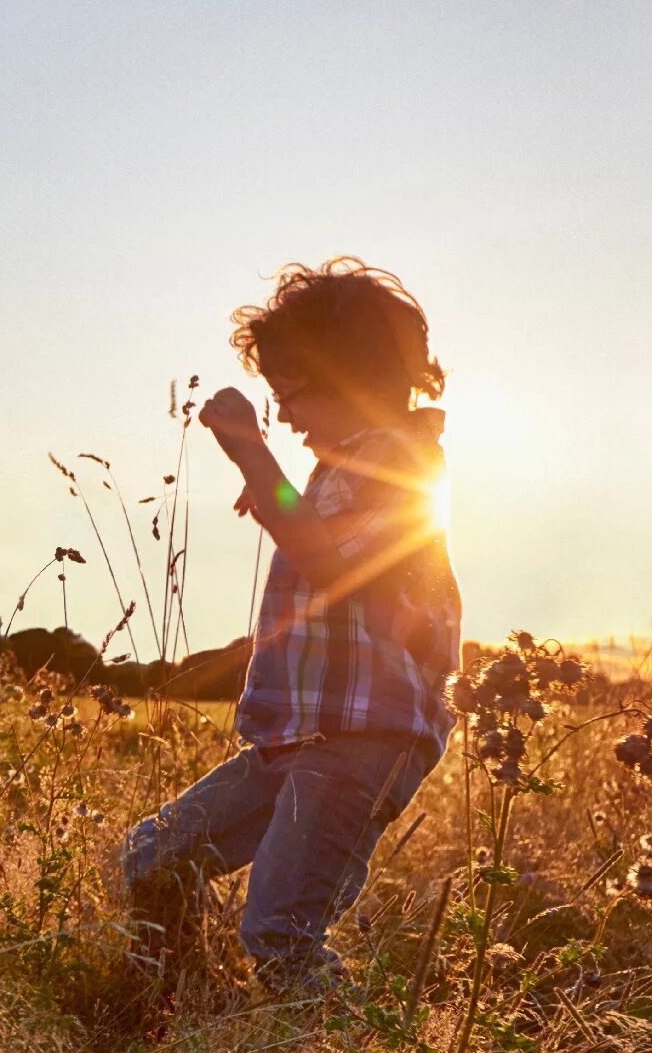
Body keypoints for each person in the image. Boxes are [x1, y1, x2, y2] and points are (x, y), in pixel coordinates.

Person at [121, 259, 460, 995]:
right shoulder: (340, 469)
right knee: (150, 858)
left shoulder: (400, 460)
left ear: (351, 374)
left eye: (293, 393)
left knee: (281, 929)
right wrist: (268, 484)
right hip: (298, 734)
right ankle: (179, 1006)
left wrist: (251, 450)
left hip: (361, 737)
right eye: (274, 400)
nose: (287, 415)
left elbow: (334, 567)